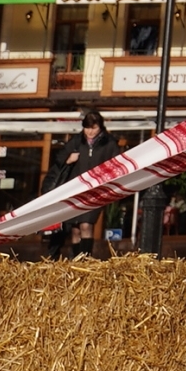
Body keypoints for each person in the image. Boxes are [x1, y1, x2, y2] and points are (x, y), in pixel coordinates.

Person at [44, 110, 125, 259]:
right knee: (75, 228)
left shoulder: (109, 143)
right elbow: (59, 158)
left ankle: (86, 260)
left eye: (93, 128)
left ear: (100, 127)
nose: (90, 132)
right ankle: (77, 261)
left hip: (96, 190)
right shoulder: (76, 141)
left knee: (86, 225)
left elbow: (117, 165)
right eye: (87, 128)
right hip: (74, 189)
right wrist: (69, 159)